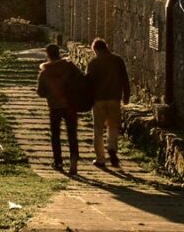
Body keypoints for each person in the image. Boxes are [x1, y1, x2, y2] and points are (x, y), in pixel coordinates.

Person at [36, 43, 81, 175]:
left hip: (54, 107)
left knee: (55, 134)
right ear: (59, 53)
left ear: (48, 55)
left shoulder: (45, 72)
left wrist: (51, 93)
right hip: (70, 105)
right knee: (72, 134)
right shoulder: (70, 67)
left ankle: (58, 161)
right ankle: (73, 159)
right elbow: (80, 79)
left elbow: (40, 92)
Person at [86, 37, 130, 168]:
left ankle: (100, 158)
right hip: (114, 99)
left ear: (95, 50)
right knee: (113, 126)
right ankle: (112, 148)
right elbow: (125, 79)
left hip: (98, 100)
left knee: (98, 129)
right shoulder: (118, 60)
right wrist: (126, 96)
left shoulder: (93, 63)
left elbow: (89, 82)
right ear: (106, 47)